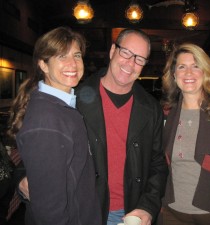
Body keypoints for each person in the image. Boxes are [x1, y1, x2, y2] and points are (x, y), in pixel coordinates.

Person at [7, 27, 102, 225]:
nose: (73, 64)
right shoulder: (48, 119)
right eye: (61, 56)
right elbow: (49, 212)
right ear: (43, 64)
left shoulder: (61, 108)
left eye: (76, 55)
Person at [75, 28, 168, 225]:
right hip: (82, 210)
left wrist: (148, 206)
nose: (131, 63)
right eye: (126, 52)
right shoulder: (75, 99)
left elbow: (158, 164)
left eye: (140, 59)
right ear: (112, 51)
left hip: (129, 215)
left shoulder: (152, 109)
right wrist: (23, 176)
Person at [159, 43, 210, 225]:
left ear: (205, 71)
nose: (188, 73)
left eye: (195, 66)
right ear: (174, 74)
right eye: (182, 67)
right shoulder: (166, 115)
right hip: (172, 212)